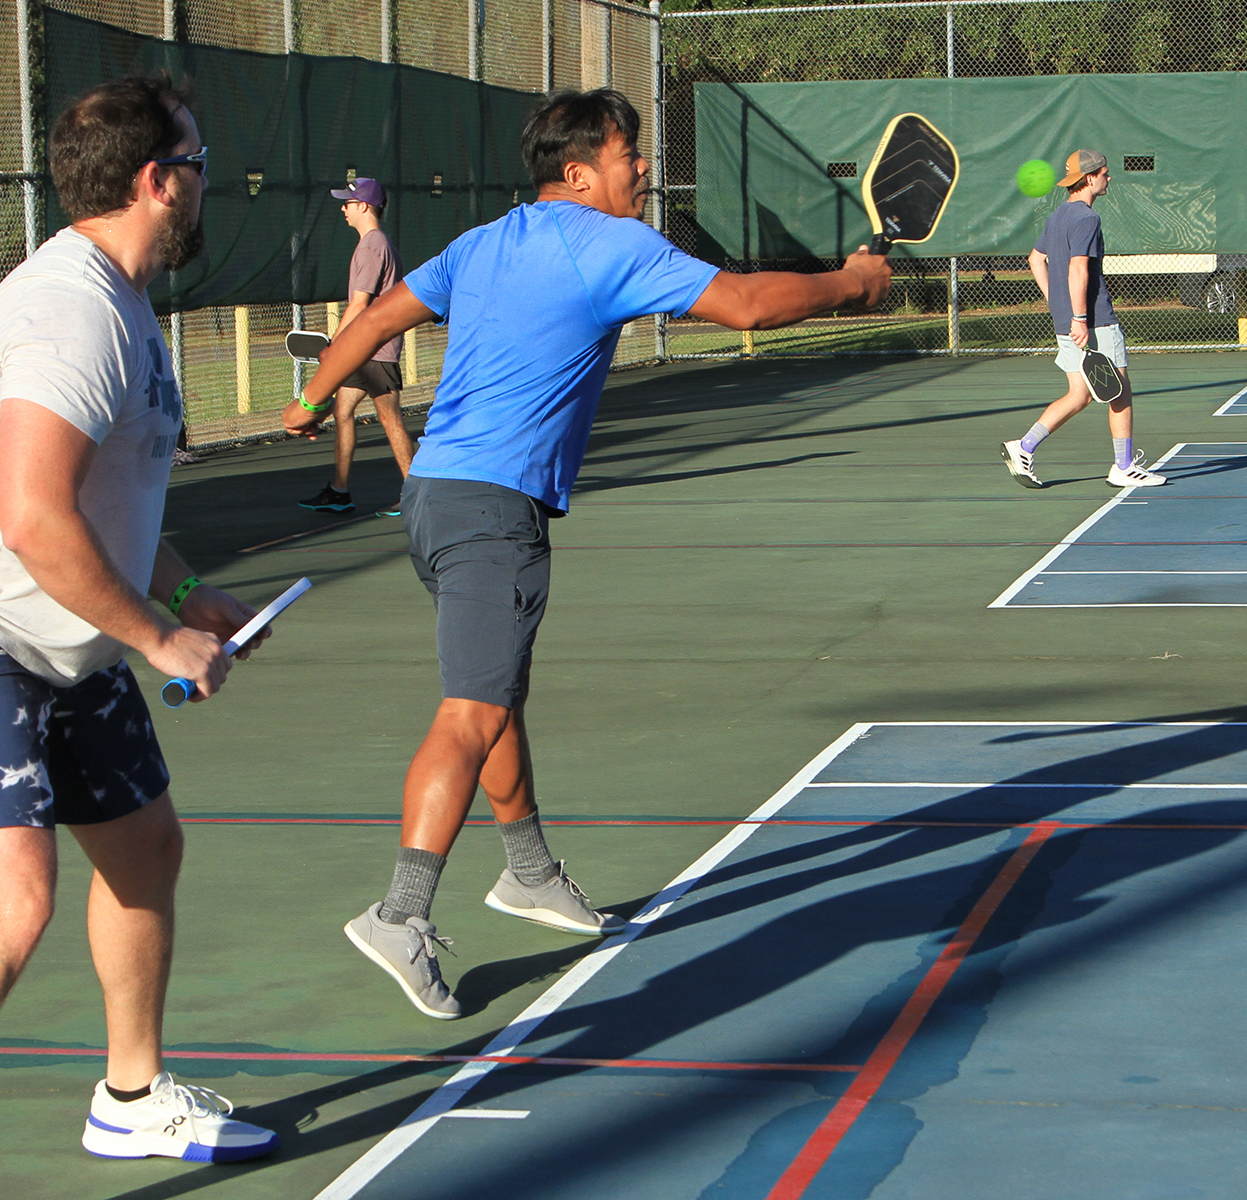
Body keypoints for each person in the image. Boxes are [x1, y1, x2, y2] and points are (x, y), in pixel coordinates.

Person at [279, 88, 890, 1019]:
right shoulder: (610, 245)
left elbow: (371, 325)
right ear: (578, 172)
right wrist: (851, 284)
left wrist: (310, 399)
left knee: (495, 693)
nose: (641, 167)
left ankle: (528, 872)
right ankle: (400, 913)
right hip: (493, 509)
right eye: (627, 154)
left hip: (435, 499)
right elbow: (744, 306)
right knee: (472, 710)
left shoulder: (481, 243)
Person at [0, 77, 279, 1200]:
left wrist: (187, 591)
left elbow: (105, 505)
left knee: (145, 849)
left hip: (64, 629)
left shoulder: (124, 304)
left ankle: (131, 1100)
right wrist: (159, 638)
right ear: (158, 181)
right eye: (198, 163)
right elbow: (34, 519)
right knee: (10, 905)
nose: (206, 185)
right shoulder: (70, 313)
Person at [1000, 149, 1166, 490]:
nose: (1109, 177)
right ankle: (1123, 467)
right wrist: (1078, 317)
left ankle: (1023, 447)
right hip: (1094, 321)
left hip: (1068, 322)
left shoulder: (1058, 215)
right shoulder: (1087, 218)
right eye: (1104, 173)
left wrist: (1057, 303)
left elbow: (1035, 259)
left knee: (1079, 395)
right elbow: (1078, 269)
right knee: (1120, 393)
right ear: (1090, 178)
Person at [298, 176, 417, 516]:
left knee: (389, 417)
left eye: (348, 203)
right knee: (343, 411)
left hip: (375, 348)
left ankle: (418, 493)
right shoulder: (373, 243)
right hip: (363, 349)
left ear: (364, 206)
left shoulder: (372, 245)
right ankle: (339, 491)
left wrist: (335, 346)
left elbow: (359, 304)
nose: (343, 209)